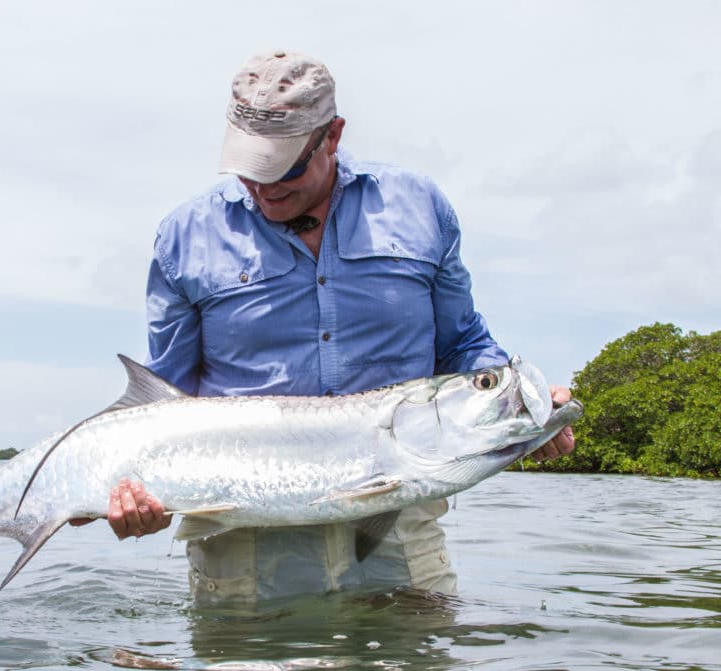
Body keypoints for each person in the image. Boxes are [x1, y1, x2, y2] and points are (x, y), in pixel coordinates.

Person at [96, 50, 575, 605]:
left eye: (285, 168)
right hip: (243, 549)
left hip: (398, 535)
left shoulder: (420, 207)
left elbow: (463, 342)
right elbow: (165, 405)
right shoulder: (185, 234)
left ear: (333, 135)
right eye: (249, 168)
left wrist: (513, 408)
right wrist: (133, 494)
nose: (265, 188)